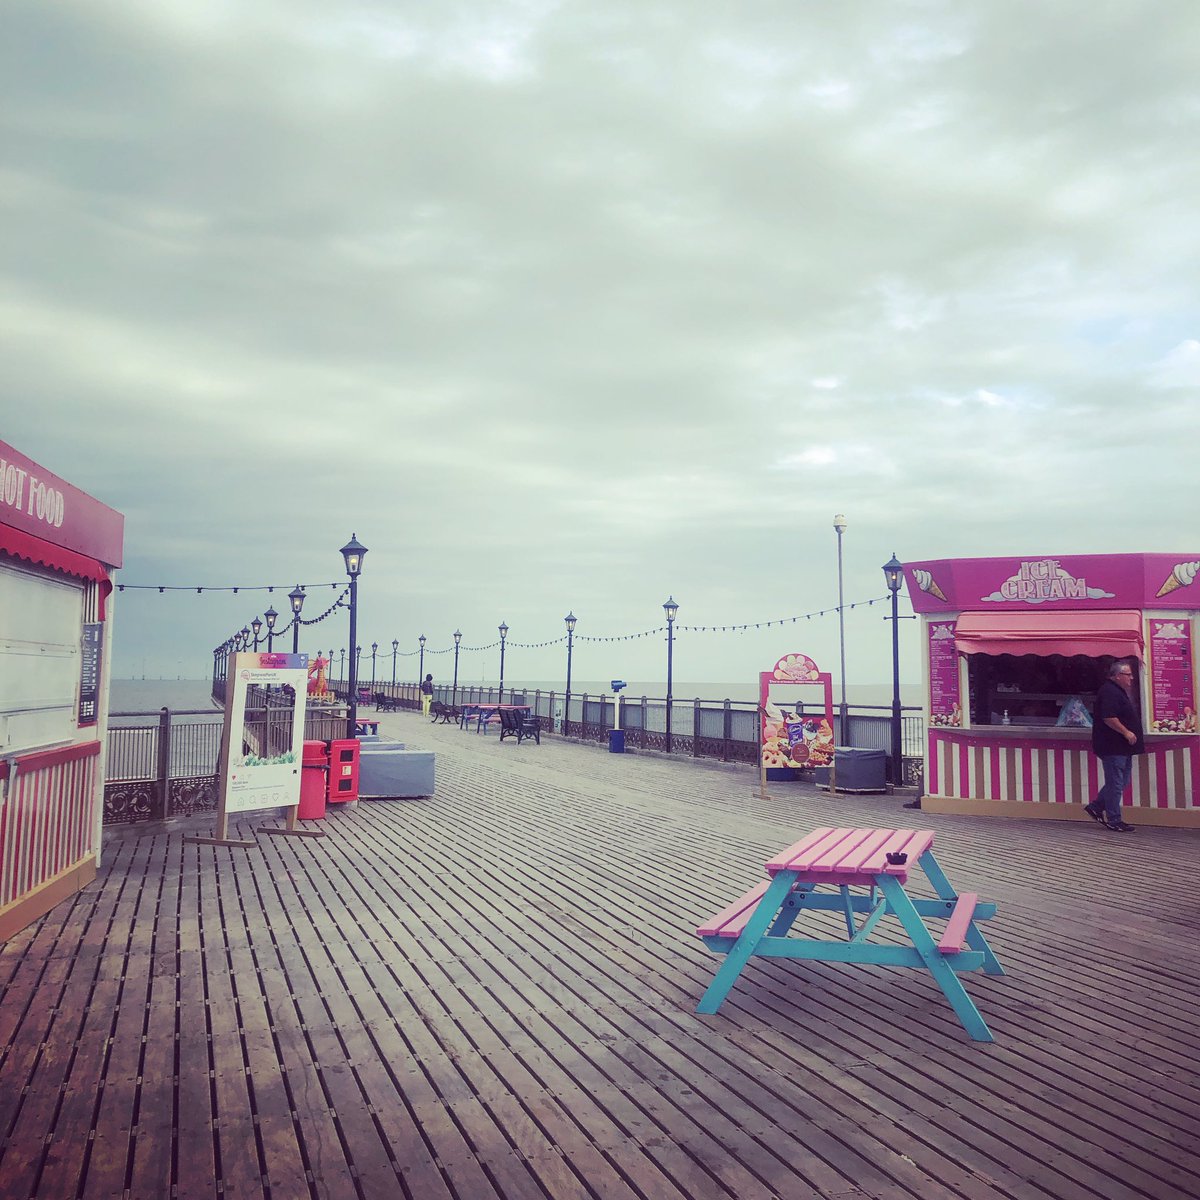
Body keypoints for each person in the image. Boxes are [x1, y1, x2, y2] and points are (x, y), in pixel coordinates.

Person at [1084, 660, 1144, 832]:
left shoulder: (1118, 691)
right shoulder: (1109, 691)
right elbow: (1109, 717)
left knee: (1121, 781)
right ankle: (1114, 819)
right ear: (1117, 676)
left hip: (1122, 747)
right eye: (1128, 675)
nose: (1132, 678)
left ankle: (1096, 807)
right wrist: (1126, 732)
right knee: (1116, 782)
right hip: (1113, 746)